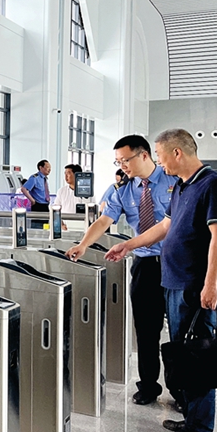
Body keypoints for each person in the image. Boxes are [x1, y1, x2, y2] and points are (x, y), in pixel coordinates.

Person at [104, 129, 217, 432]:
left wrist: (211, 285)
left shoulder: (213, 184)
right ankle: (191, 417)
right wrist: (129, 245)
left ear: (177, 152)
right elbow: (164, 226)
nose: (159, 162)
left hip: (194, 285)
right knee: (184, 354)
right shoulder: (182, 186)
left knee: (199, 355)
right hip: (174, 283)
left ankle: (200, 430)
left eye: (160, 155)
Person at [66, 135, 175, 406]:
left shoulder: (173, 179)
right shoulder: (123, 190)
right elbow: (104, 221)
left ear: (144, 155)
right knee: (146, 330)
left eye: (125, 160)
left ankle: (181, 390)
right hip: (145, 266)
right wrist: (83, 244)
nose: (122, 166)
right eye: (118, 162)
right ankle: (148, 386)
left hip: (176, 264)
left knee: (179, 329)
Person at [52, 163, 89, 230]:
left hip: (82, 227)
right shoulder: (61, 191)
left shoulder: (87, 192)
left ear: (77, 175)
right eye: (65, 173)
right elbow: (55, 210)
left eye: (68, 173)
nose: (66, 176)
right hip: (66, 227)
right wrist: (61, 224)